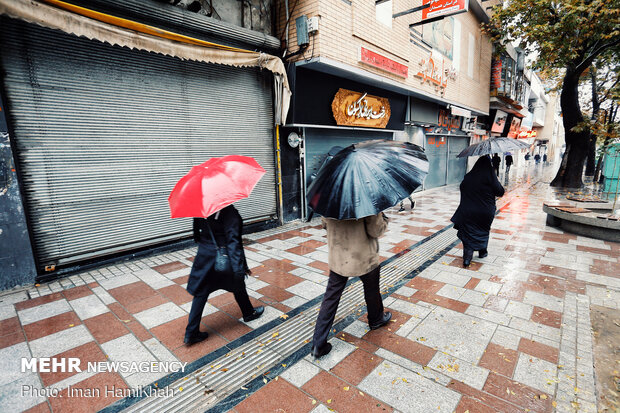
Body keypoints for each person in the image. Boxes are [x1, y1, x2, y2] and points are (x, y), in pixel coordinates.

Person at [311, 212, 392, 358]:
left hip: (339, 257)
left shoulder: (330, 197)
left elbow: (324, 224)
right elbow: (376, 230)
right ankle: (376, 319)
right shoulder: (365, 198)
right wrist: (384, 218)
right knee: (372, 290)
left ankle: (318, 344)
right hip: (363, 257)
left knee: (330, 298)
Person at [184, 204, 264, 345]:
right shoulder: (228, 211)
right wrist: (239, 268)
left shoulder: (201, 207)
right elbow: (233, 241)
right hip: (224, 257)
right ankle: (248, 313)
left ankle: (191, 333)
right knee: (237, 283)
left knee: (201, 293)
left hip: (206, 257)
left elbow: (197, 233)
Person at [450, 156, 505, 268]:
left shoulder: (469, 177)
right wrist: (496, 180)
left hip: (469, 211)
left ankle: (467, 258)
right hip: (486, 212)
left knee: (469, 232)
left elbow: (462, 189)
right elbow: (500, 192)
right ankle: (482, 252)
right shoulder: (491, 178)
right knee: (483, 230)